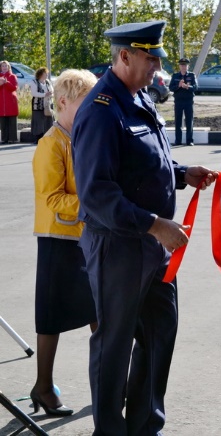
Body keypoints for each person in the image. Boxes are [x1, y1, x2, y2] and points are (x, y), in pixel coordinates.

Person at [71, 21, 219, 435]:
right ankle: (110, 430)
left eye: (157, 58)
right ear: (124, 57)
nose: (158, 67)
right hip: (119, 246)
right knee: (114, 344)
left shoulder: (139, 98)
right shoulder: (101, 110)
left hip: (153, 247)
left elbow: (144, 165)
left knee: (159, 334)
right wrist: (155, 224)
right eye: (151, 58)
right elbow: (98, 194)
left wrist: (182, 173)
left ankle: (144, 423)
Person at [31, 69, 99, 417]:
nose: (90, 114)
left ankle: (107, 385)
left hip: (86, 239)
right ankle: (43, 386)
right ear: (62, 104)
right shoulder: (50, 144)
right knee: (52, 316)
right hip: (58, 240)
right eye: (83, 106)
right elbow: (51, 198)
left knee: (98, 312)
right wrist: (93, 207)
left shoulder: (82, 139)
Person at [169, 57, 197, 146]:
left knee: (189, 121)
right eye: (182, 65)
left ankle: (189, 141)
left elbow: (196, 87)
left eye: (185, 65)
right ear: (179, 66)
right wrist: (179, 86)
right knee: (178, 121)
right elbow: (171, 88)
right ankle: (178, 141)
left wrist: (187, 87)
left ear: (188, 66)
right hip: (178, 101)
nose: (183, 67)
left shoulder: (192, 75)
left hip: (188, 101)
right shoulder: (175, 76)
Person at [30, 67, 55, 144]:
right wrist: (45, 94)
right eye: (45, 73)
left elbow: (52, 91)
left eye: (47, 73)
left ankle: (48, 137)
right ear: (41, 74)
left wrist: (51, 94)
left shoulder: (48, 82)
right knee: (38, 121)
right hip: (38, 105)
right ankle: (38, 138)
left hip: (48, 105)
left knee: (48, 120)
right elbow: (34, 93)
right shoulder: (34, 82)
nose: (47, 75)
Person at [0, 59, 19, 144]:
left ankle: (12, 138)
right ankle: (4, 139)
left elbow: (14, 88)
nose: (4, 67)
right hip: (1, 103)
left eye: (5, 66)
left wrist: (6, 82)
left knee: (12, 121)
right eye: (2, 66)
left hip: (11, 102)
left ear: (8, 67)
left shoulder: (12, 76)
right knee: (3, 122)